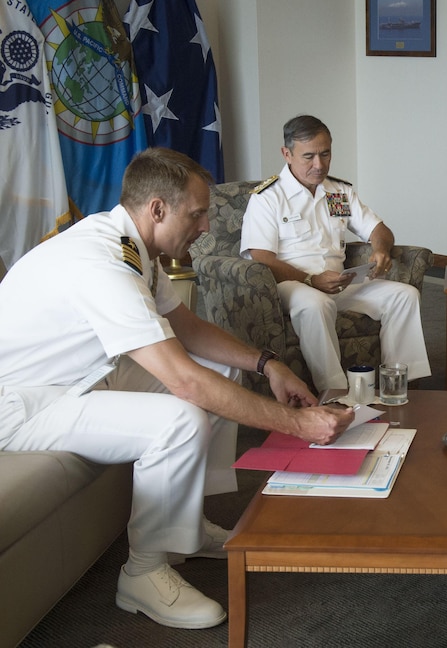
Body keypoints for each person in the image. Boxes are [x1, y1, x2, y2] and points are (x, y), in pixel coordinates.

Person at [0, 148, 355, 629]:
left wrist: (267, 363)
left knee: (222, 369)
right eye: (198, 212)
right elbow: (183, 379)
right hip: (23, 403)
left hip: (77, 376)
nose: (207, 225)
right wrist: (297, 424)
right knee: (181, 416)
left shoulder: (134, 247)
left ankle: (186, 527)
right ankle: (143, 574)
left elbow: (186, 328)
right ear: (158, 210)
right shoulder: (102, 263)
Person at [240, 115, 431, 393]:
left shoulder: (337, 193)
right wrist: (310, 280)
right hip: (290, 286)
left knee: (404, 296)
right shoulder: (268, 198)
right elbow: (261, 257)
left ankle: (399, 383)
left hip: (340, 283)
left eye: (325, 154)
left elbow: (379, 230)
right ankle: (335, 393)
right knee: (316, 305)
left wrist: (379, 249)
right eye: (309, 157)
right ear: (287, 154)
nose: (319, 165)